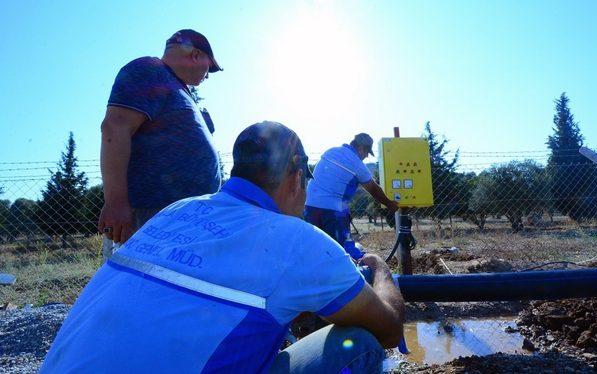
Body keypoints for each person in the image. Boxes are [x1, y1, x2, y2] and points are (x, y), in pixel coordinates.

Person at [41, 121, 405, 373]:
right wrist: (381, 270)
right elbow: (388, 329)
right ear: (296, 180)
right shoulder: (299, 242)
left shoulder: (178, 210)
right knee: (359, 345)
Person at [99, 29, 223, 245]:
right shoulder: (150, 70)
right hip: (154, 216)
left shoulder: (178, 89)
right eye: (209, 67)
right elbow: (115, 128)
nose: (207, 75)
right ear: (195, 55)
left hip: (183, 217)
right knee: (144, 278)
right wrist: (115, 202)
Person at [304, 133, 399, 256]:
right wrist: (390, 204)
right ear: (361, 148)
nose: (365, 157)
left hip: (309, 207)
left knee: (314, 250)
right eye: (366, 153)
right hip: (333, 212)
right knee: (341, 251)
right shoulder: (357, 164)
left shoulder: (331, 151)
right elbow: (373, 189)